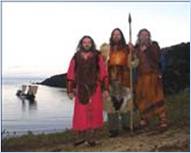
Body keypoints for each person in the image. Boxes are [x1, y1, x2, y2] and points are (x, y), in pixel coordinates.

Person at [67, 35, 109, 146]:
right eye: (84, 42)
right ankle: (81, 137)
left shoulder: (97, 55)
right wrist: (70, 90)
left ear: (92, 43)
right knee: (80, 113)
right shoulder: (76, 57)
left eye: (89, 42)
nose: (86, 44)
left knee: (95, 112)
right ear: (81, 44)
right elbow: (71, 73)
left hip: (95, 87)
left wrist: (105, 89)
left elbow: (104, 73)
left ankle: (92, 138)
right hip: (81, 89)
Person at [101, 28, 138, 137]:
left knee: (126, 104)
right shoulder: (107, 49)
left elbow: (133, 64)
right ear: (111, 36)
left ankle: (127, 125)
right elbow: (101, 63)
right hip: (110, 80)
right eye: (114, 34)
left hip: (124, 78)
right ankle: (113, 129)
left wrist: (133, 53)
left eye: (118, 34)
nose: (116, 36)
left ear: (121, 36)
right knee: (111, 105)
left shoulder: (127, 49)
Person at [134, 28, 168, 131]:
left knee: (157, 97)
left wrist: (147, 49)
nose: (144, 37)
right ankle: (144, 120)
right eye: (142, 35)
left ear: (149, 36)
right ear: (138, 37)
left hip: (153, 75)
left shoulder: (154, 46)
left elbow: (157, 58)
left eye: (146, 35)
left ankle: (163, 120)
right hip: (141, 77)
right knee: (142, 98)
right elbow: (133, 63)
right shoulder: (136, 49)